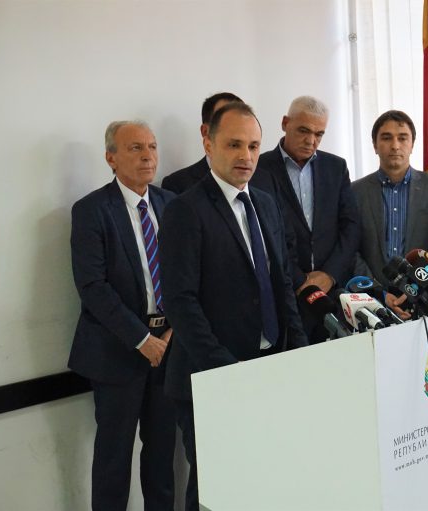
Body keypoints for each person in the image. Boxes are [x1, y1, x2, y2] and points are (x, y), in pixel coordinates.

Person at [159, 102, 308, 511]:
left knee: (263, 482)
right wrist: (227, 370)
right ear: (208, 143)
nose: (246, 156)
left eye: (254, 146)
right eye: (234, 144)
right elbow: (181, 302)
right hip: (211, 377)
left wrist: (298, 353)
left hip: (268, 368)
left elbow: (282, 283)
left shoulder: (266, 202)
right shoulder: (184, 210)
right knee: (214, 491)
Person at [69, 121, 176, 511]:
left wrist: (172, 332)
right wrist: (142, 340)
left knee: (162, 459)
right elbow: (93, 286)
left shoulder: (172, 204)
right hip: (116, 351)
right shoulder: (92, 210)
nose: (148, 156)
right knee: (113, 462)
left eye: (152, 146)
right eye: (135, 148)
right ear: (111, 158)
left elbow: (188, 274)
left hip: (169, 346)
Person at [250, 96, 359, 343]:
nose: (311, 141)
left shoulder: (335, 167)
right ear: (285, 123)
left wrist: (329, 275)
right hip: (285, 294)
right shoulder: (259, 168)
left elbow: (351, 227)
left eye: (319, 134)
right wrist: (301, 280)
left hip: (332, 293)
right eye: (303, 131)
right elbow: (263, 234)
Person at [352, 110, 428, 319]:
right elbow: (352, 250)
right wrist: (377, 291)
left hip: (423, 301)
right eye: (386, 138)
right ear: (375, 145)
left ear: (412, 144)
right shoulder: (355, 192)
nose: (395, 146)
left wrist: (412, 289)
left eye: (403, 138)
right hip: (372, 303)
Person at [162, 91, 243, 194]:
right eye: (227, 122)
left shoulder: (259, 178)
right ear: (205, 132)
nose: (238, 131)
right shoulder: (178, 185)